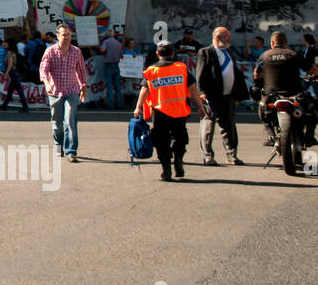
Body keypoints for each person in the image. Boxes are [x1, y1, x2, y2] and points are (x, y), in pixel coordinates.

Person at [134, 41, 203, 181]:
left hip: (161, 112)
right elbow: (193, 88)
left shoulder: (151, 70)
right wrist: (200, 106)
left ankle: (166, 170)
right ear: (172, 53)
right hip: (180, 111)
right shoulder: (181, 68)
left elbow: (144, 90)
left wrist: (138, 107)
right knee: (180, 138)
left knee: (161, 141)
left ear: (157, 54)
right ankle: (178, 159)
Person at [195, 26, 248, 165]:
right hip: (211, 96)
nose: (229, 39)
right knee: (208, 126)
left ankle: (231, 155)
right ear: (217, 37)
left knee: (229, 126)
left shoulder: (229, 52)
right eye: (227, 37)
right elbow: (200, 74)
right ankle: (208, 156)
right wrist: (201, 92)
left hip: (228, 96)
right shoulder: (206, 52)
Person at [254, 31, 313, 148]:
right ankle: (309, 137)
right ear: (286, 42)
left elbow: (257, 74)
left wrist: (259, 81)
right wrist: (317, 75)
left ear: (271, 43)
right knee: (312, 109)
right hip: (294, 94)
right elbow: (313, 69)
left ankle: (270, 135)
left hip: (272, 95)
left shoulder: (265, 56)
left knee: (263, 110)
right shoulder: (293, 54)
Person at [39, 24, 88, 162]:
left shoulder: (76, 52)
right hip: (55, 91)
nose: (66, 37)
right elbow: (43, 70)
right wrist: (47, 83)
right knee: (57, 123)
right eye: (64, 35)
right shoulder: (50, 51)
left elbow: (81, 71)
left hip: (72, 90)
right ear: (57, 36)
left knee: (70, 119)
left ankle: (71, 151)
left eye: (68, 35)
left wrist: (83, 87)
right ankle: (58, 145)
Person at [0, 39, 30, 112]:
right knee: (10, 90)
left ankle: (25, 107)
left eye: (5, 43)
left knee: (19, 90)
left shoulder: (10, 52)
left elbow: (10, 64)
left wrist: (6, 73)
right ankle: (4, 105)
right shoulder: (14, 52)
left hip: (13, 73)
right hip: (15, 73)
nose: (3, 44)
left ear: (9, 44)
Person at [98, 33, 124, 109]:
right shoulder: (118, 43)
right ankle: (119, 104)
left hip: (108, 65)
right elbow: (121, 56)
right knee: (117, 86)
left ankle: (110, 104)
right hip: (116, 65)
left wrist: (99, 46)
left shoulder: (106, 42)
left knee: (109, 86)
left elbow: (102, 50)